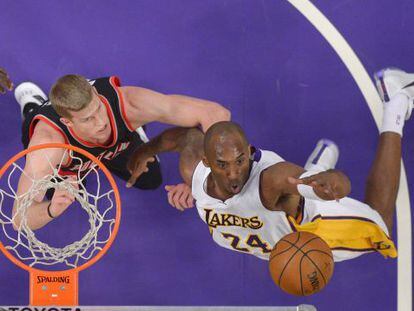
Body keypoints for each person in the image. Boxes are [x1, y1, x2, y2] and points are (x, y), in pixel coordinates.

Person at [128, 67, 413, 262]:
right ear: (206, 162)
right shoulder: (193, 168)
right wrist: (143, 153)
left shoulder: (269, 181)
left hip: (309, 224)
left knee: (382, 224)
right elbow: (180, 138)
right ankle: (313, 171)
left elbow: (335, 183)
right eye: (223, 165)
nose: (234, 173)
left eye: (240, 161)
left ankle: (396, 99)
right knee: (299, 186)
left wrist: (329, 182)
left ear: (249, 152)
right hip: (273, 231)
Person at [12, 75, 230, 230]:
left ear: (97, 94)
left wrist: (200, 178)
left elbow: (214, 112)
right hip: (69, 162)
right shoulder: (48, 147)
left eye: (98, 109)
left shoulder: (128, 102)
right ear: (68, 122)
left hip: (114, 145)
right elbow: (20, 218)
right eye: (88, 118)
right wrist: (51, 209)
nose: (100, 122)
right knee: (60, 196)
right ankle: (33, 106)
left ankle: (134, 132)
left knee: (150, 178)